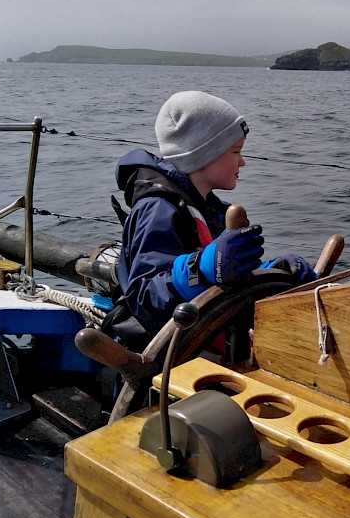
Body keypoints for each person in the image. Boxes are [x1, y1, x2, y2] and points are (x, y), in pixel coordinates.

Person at [114, 90, 316, 338]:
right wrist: (201, 268)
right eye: (235, 151)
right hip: (175, 354)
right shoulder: (157, 209)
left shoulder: (211, 209)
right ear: (203, 153)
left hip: (209, 333)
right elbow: (144, 296)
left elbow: (225, 270)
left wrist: (271, 270)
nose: (242, 162)